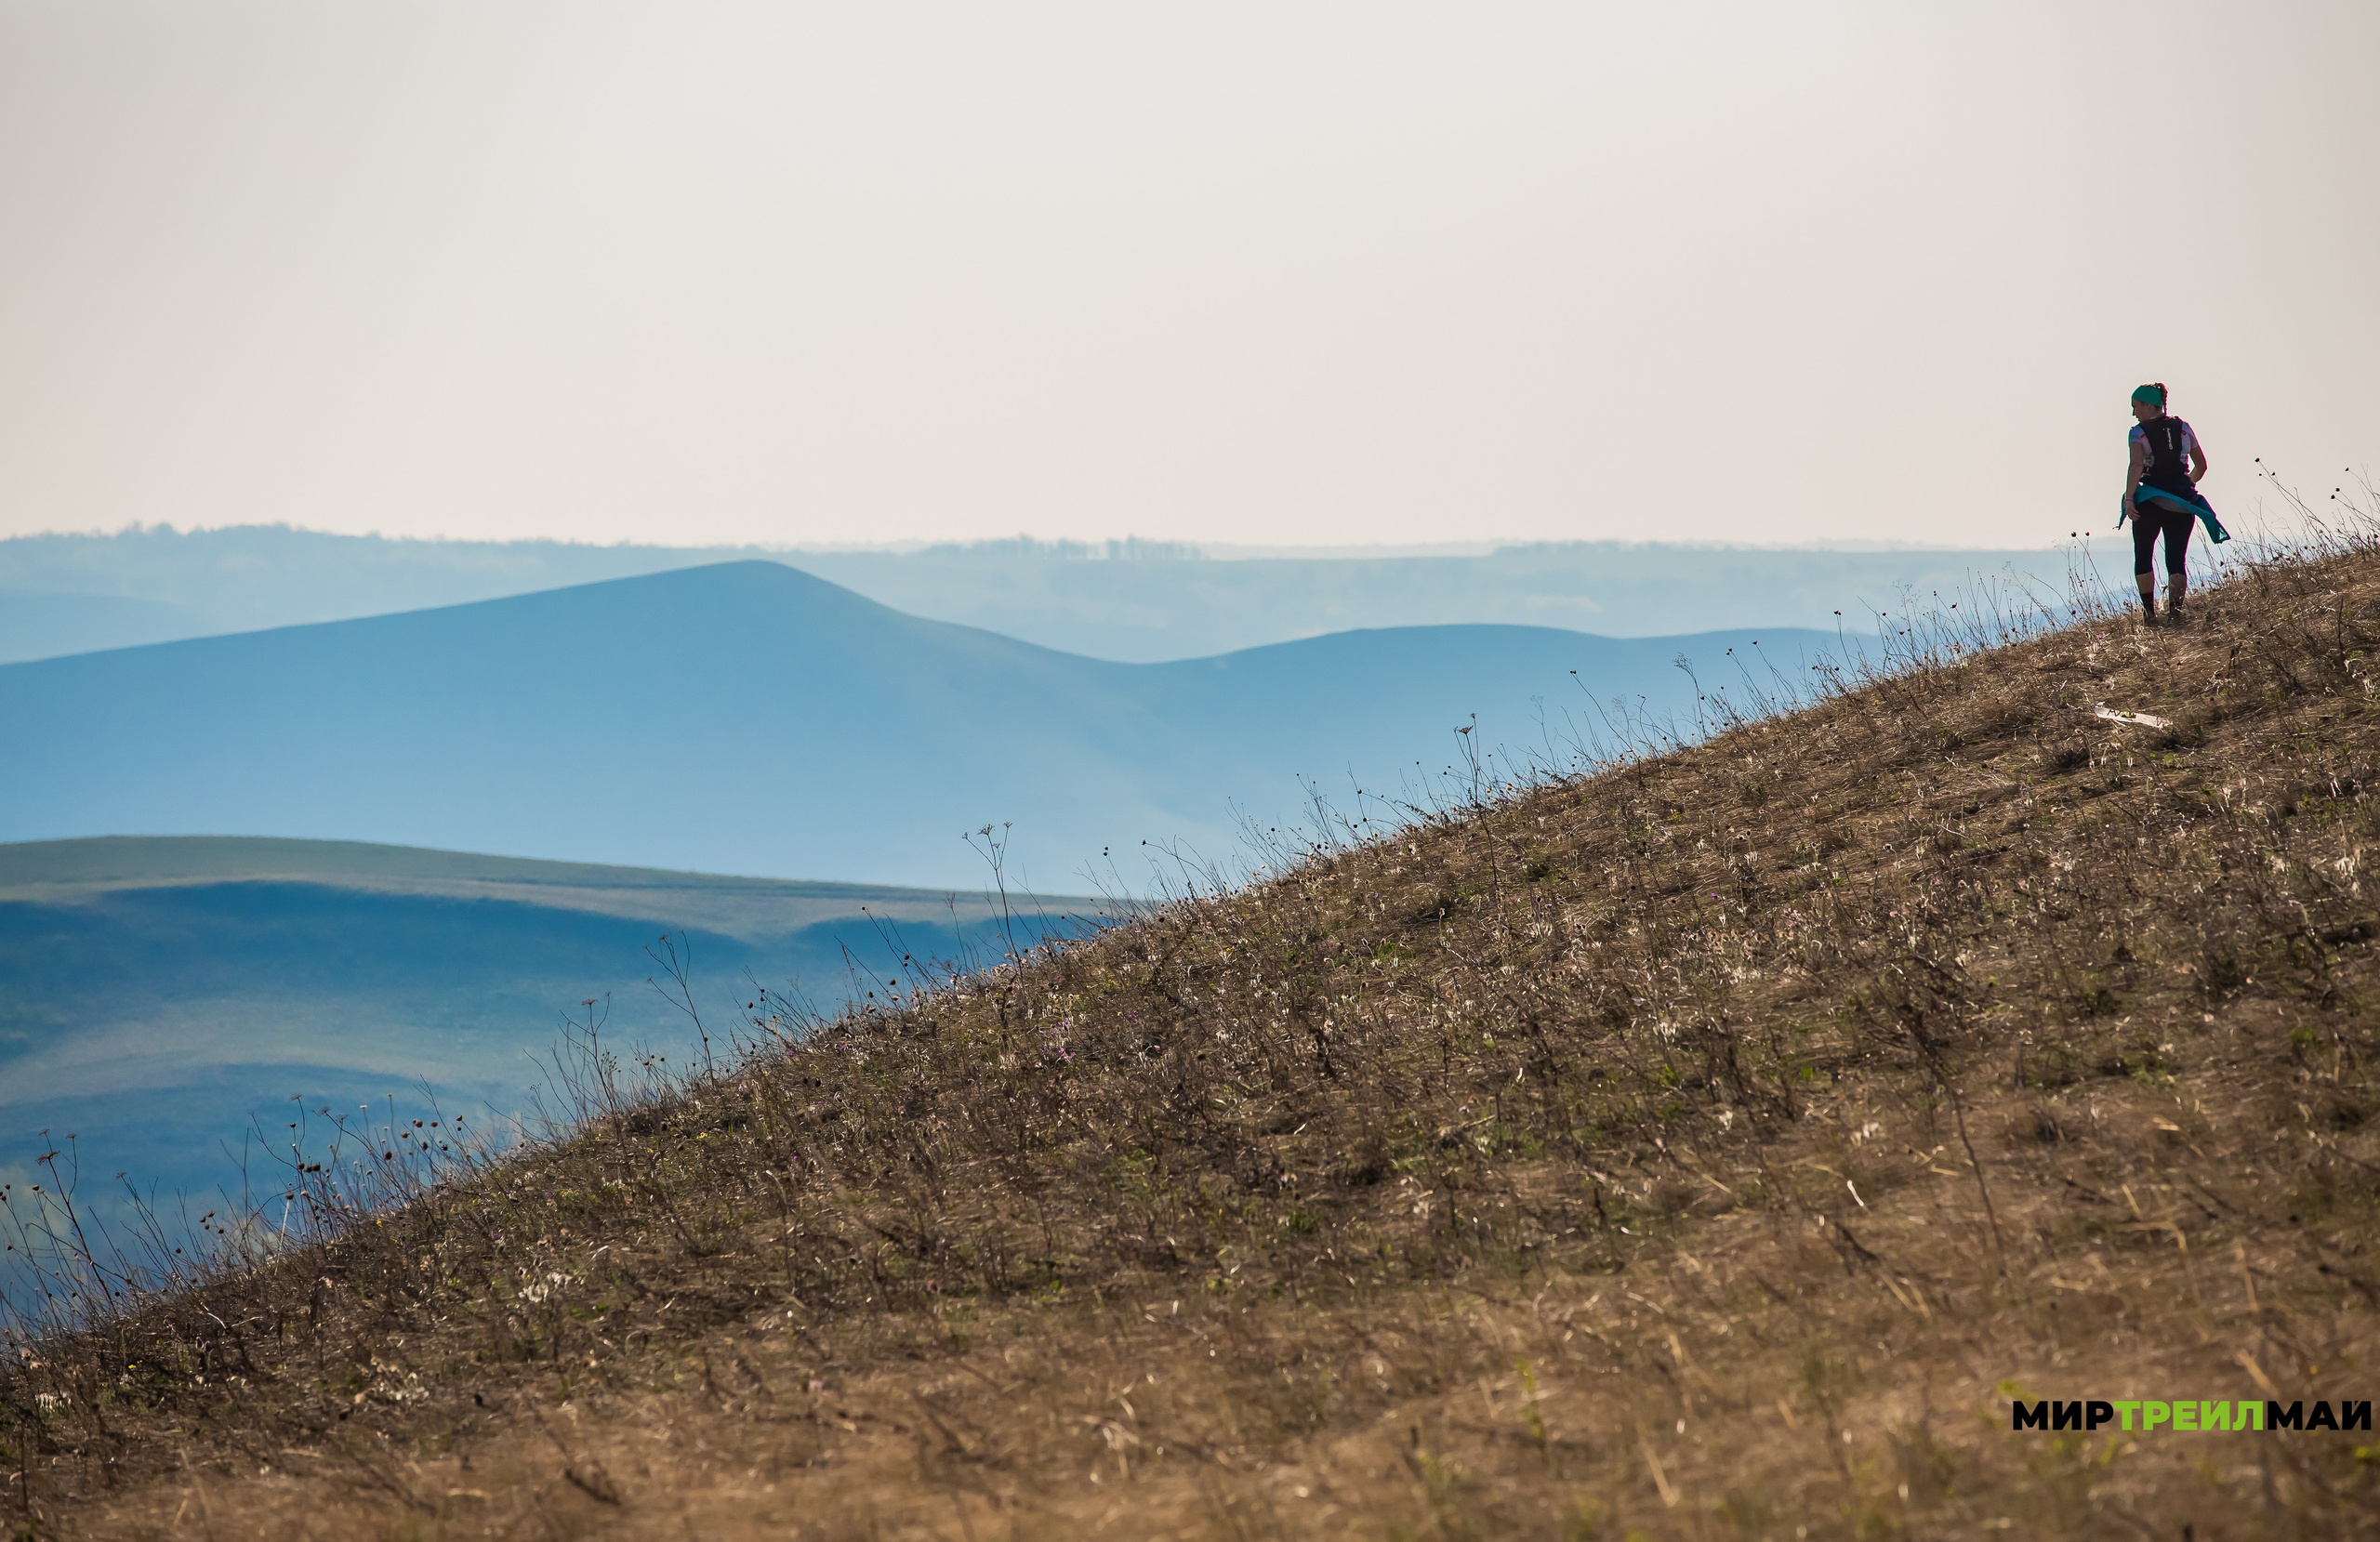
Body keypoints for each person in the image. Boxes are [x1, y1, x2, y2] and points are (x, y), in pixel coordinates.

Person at [2121, 382, 2217, 625]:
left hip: (2149, 503)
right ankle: (2176, 614)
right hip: (2182, 504)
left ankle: (2149, 616)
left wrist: (2129, 497)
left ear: (2147, 405)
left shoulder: (2138, 432)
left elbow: (2136, 465)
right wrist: (2185, 489)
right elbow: (2202, 465)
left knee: (2143, 555)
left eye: (2135, 407)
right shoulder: (2184, 428)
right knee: (2176, 560)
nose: (2134, 413)